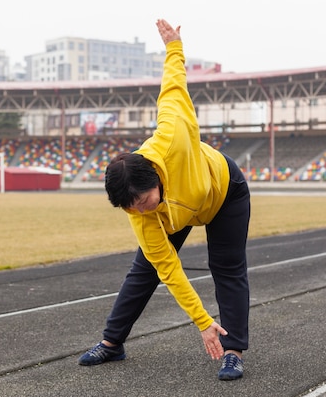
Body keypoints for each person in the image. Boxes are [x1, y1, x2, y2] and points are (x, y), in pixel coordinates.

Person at [77, 19, 250, 382]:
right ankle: (112, 342)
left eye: (142, 201)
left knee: (227, 266)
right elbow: (170, 270)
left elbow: (172, 88)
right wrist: (203, 322)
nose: (139, 211)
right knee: (146, 269)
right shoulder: (137, 208)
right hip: (177, 213)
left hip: (222, 190)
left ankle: (232, 352)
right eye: (131, 208)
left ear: (154, 177)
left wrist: (174, 47)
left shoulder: (173, 134)